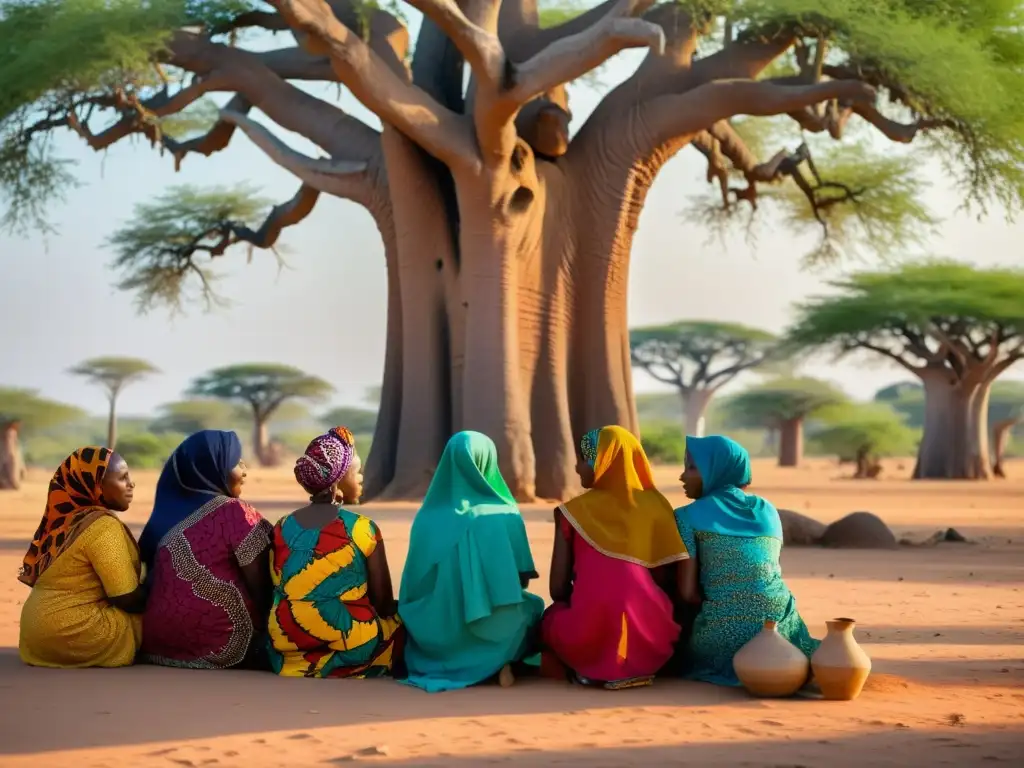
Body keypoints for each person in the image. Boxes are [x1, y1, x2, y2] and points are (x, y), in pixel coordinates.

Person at [541, 425, 699, 689]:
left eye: (583, 459)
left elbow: (557, 589)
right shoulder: (658, 508)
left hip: (586, 633)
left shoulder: (571, 513)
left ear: (600, 461)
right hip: (653, 637)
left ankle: (588, 663)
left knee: (550, 619)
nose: (577, 467)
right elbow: (668, 580)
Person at [399, 431, 544, 692]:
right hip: (496, 630)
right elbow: (521, 581)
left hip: (435, 633)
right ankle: (502, 661)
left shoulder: (426, 518)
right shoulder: (505, 513)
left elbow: (412, 586)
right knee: (533, 608)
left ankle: (452, 658)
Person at [676, 434, 819, 687]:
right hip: (782, 625)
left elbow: (687, 593)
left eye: (691, 467)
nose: (682, 476)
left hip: (720, 636)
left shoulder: (686, 516)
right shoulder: (768, 510)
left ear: (715, 470)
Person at [267, 427, 404, 678]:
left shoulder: (282, 526)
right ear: (337, 481)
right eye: (357, 472)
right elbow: (383, 604)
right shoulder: (362, 528)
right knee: (402, 624)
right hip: (348, 640)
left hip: (287, 639)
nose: (361, 478)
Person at [139, 430, 273, 669]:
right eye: (236, 462)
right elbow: (262, 586)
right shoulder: (234, 513)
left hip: (156, 645)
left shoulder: (159, 520)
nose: (244, 470)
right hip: (223, 645)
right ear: (214, 468)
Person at [19, 447, 146, 668]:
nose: (131, 484)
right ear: (97, 485)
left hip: (34, 636)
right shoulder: (102, 527)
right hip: (78, 633)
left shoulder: (63, 523)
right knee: (164, 617)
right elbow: (125, 597)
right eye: (122, 478)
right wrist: (159, 589)